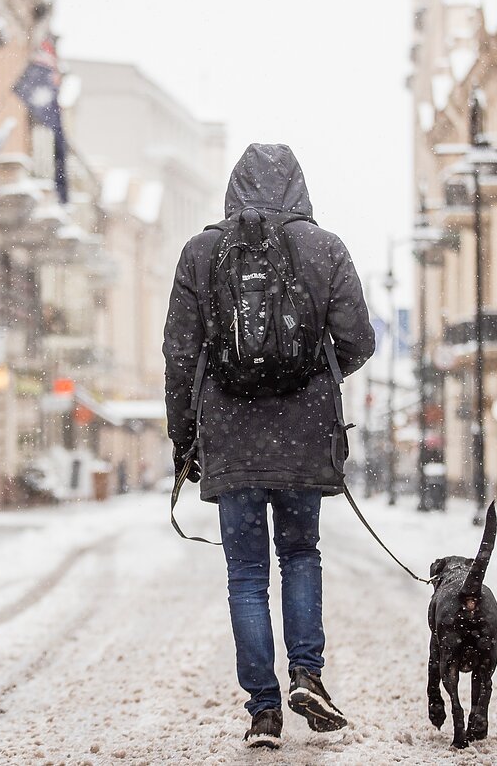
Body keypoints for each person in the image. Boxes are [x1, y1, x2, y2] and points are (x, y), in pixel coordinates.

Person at [163, 143, 375, 749]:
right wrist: (310, 370)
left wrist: (184, 437)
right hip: (303, 433)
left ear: (233, 189)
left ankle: (262, 710)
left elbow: (179, 355)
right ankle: (307, 673)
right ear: (299, 188)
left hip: (230, 437)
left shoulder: (201, 254)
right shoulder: (325, 248)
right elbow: (357, 340)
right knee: (301, 554)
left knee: (246, 573)